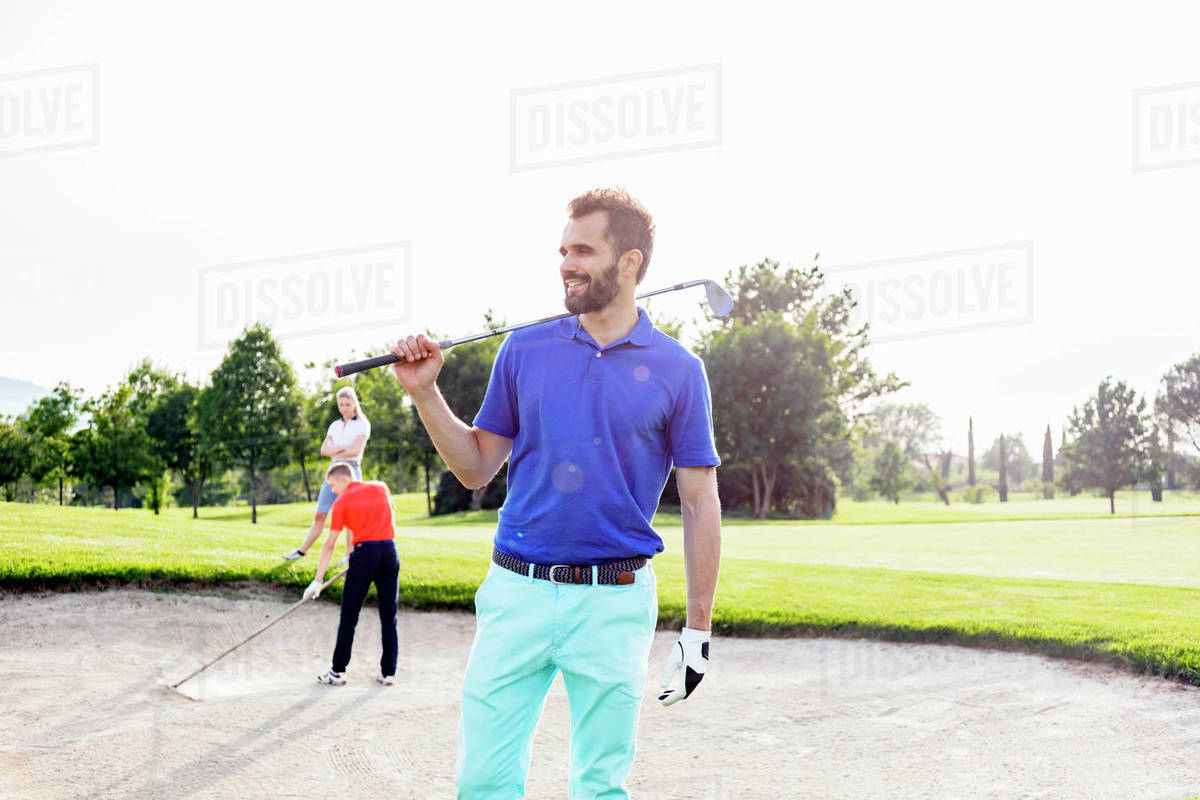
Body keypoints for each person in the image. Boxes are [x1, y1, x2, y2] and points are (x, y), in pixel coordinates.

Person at [389, 188, 722, 799]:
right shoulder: (524, 348)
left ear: (630, 262)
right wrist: (425, 393)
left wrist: (698, 630)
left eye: (584, 251)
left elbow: (700, 502)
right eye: (564, 250)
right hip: (516, 591)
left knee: (599, 788)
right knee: (482, 783)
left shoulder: (679, 370)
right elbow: (475, 468)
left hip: (615, 601)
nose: (567, 264)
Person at [303, 460, 400, 686]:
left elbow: (329, 544)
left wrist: (317, 581)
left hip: (365, 553)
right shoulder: (381, 487)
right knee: (389, 615)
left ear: (343, 478)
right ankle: (388, 672)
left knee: (349, 614)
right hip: (389, 551)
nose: (333, 491)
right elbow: (388, 517)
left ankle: (338, 671)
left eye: (333, 485)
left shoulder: (342, 502)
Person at [284, 386, 371, 561]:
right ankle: (300, 551)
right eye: (341, 404)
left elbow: (355, 451)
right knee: (320, 514)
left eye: (347, 404)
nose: (344, 408)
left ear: (354, 403)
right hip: (333, 471)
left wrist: (335, 450)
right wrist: (343, 448)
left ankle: (349, 554)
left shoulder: (363, 424)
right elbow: (324, 450)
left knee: (351, 517)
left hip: (352, 471)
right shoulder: (335, 426)